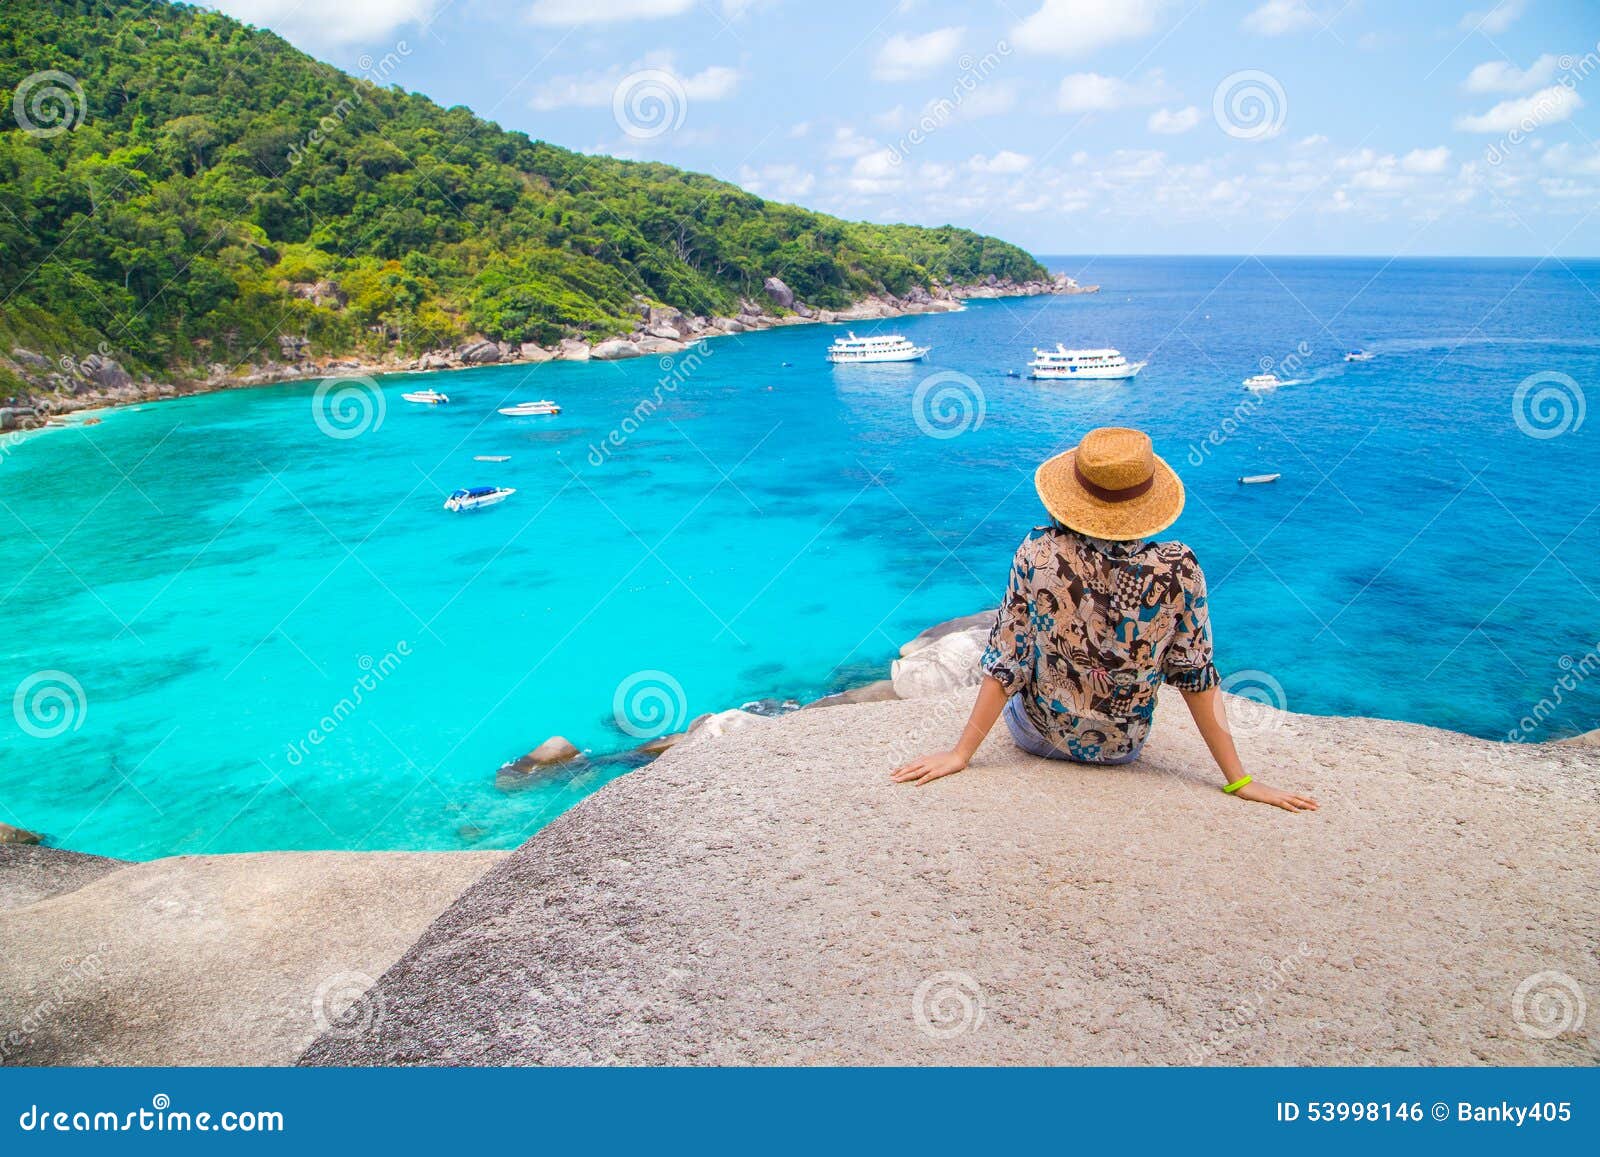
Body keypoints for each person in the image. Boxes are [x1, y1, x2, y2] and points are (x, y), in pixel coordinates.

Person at [891, 426, 1319, 814]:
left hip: (1039, 737)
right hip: (1123, 747)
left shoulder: (1038, 552)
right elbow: (1195, 675)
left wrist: (960, 754)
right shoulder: (1179, 567)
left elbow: (1008, 661)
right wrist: (1238, 779)